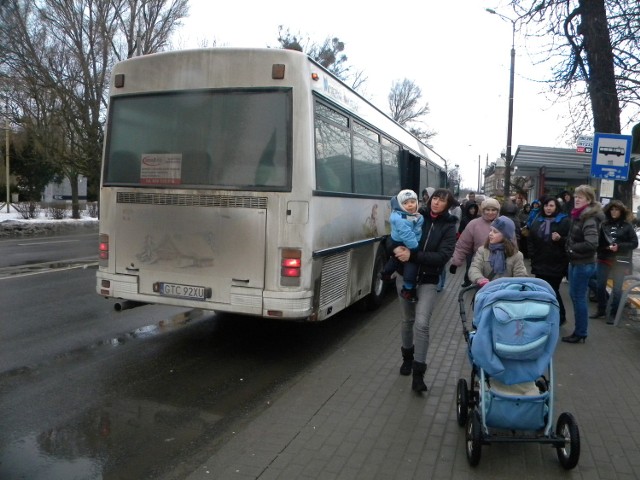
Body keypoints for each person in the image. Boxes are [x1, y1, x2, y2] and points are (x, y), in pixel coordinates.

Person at [393, 188, 457, 392]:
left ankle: (418, 374)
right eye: (435, 198)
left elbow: (443, 256)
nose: (437, 202)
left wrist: (413, 256)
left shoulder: (448, 226)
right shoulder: (413, 215)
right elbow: (391, 240)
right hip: (404, 276)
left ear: (448, 205)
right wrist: (394, 249)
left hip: (428, 280)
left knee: (422, 324)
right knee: (407, 321)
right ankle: (407, 359)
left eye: (442, 200)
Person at [562, 185, 603, 344]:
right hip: (577, 262)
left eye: (581, 197)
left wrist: (571, 249)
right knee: (576, 296)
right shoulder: (579, 215)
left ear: (589, 199)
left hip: (583, 263)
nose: (577, 199)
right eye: (576, 196)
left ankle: (580, 332)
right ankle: (580, 331)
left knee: (578, 298)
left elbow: (591, 244)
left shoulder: (589, 218)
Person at [591, 200, 638, 323]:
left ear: (621, 211)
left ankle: (613, 314)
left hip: (620, 261)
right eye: (612, 209)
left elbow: (634, 243)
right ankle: (601, 309)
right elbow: (597, 243)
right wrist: (606, 247)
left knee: (617, 289)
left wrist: (619, 246)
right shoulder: (604, 224)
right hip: (604, 258)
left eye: (616, 209)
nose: (614, 212)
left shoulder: (627, 226)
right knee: (600, 286)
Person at [527, 196, 571, 325]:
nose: (548, 208)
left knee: (552, 290)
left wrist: (560, 239)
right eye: (546, 205)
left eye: (551, 205)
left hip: (556, 262)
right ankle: (548, 315)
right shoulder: (538, 220)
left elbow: (570, 240)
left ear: (556, 207)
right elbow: (531, 239)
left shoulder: (564, 221)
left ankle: (561, 316)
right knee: (543, 290)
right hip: (540, 261)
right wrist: (532, 255)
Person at [381, 189, 424, 302]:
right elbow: (408, 235)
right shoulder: (401, 218)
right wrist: (414, 248)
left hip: (401, 242)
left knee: (396, 259)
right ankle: (408, 290)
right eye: (405, 203)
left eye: (412, 201)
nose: (410, 205)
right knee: (411, 264)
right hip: (405, 243)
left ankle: (385, 273)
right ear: (400, 205)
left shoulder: (410, 215)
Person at [450, 198, 501, 287]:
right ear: (483, 210)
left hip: (500, 265)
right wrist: (455, 262)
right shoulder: (474, 224)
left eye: (493, 210)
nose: (490, 212)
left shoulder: (503, 224)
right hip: (479, 265)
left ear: (497, 211)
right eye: (487, 210)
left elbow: (512, 245)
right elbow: (463, 244)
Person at [468, 215, 528, 287]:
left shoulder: (516, 255)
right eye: (490, 230)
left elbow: (520, 276)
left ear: (505, 236)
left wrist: (514, 286)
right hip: (485, 292)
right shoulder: (482, 251)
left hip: (505, 295)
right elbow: (474, 268)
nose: (490, 234)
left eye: (495, 232)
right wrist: (480, 279)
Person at [437, 197, 462, 292]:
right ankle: (440, 283)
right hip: (437, 247)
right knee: (440, 267)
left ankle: (440, 284)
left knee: (441, 266)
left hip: (443, 247)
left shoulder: (450, 218)